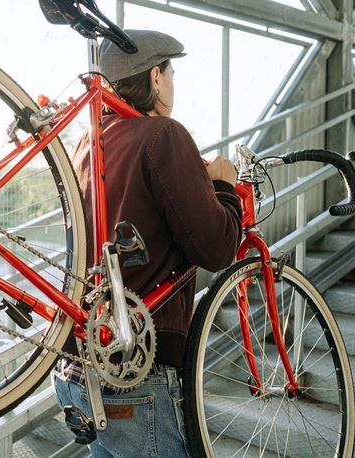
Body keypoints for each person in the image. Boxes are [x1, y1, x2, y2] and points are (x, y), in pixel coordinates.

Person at [52, 29, 243, 457]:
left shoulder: (90, 140)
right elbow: (217, 248)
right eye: (171, 74)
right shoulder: (163, 134)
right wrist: (225, 188)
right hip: (139, 374)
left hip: (79, 369)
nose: (173, 84)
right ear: (155, 77)